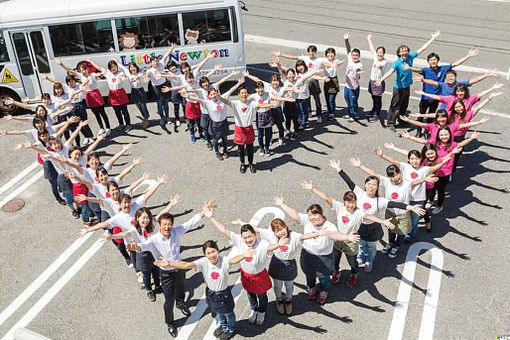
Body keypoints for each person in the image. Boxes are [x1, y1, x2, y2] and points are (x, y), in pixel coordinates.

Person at [127, 201, 213, 337]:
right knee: (168, 300)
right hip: (166, 273)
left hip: (179, 268)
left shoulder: (176, 231)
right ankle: (170, 323)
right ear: (159, 226)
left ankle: (181, 303)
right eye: (164, 225)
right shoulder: (154, 239)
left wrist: (203, 213)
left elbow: (189, 223)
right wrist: (135, 247)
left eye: (169, 224)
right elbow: (142, 246)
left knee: (181, 289)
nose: (167, 227)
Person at [328, 159, 425, 271]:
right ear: (365, 185)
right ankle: (361, 256)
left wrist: (411, 207)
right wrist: (338, 168)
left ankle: (369, 260)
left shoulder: (381, 200)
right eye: (369, 184)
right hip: (360, 226)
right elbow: (348, 181)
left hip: (373, 228)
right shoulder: (359, 193)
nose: (371, 186)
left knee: (372, 247)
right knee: (361, 245)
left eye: (374, 184)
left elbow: (396, 204)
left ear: (377, 187)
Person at [300, 181, 395, 287]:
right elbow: (326, 198)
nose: (350, 205)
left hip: (351, 241)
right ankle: (336, 273)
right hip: (338, 238)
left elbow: (369, 216)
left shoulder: (358, 212)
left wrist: (383, 221)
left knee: (353, 262)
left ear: (356, 202)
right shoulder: (339, 207)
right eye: (348, 202)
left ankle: (354, 274)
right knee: (335, 259)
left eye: (353, 202)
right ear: (344, 202)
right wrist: (313, 189)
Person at [155, 241, 254, 340]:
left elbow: (233, 260)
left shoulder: (224, 260)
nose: (212, 255)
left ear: (218, 251)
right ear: (205, 255)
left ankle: (231, 328)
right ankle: (224, 326)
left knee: (229, 312)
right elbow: (186, 265)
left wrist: (243, 255)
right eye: (208, 253)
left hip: (223, 293)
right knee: (218, 311)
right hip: (211, 292)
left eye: (213, 251)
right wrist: (169, 263)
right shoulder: (203, 262)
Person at [206, 205, 286, 325]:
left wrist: (279, 244)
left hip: (260, 276)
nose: (248, 240)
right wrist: (211, 218)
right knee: (250, 295)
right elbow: (224, 230)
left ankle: (262, 312)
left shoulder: (262, 244)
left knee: (262, 296)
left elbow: (270, 247)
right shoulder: (239, 241)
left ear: (255, 234)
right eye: (245, 238)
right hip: (246, 275)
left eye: (250, 236)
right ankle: (254, 310)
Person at [274, 195, 359, 304]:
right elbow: (295, 215)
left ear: (321, 214)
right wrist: (282, 205)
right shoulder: (307, 221)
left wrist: (347, 237)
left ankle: (324, 291)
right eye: (310, 216)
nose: (312, 218)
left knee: (324, 278)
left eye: (315, 216)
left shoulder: (329, 226)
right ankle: (311, 288)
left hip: (324, 259)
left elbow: (335, 235)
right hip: (308, 256)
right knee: (309, 275)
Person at [350, 158, 437, 257]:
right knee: (390, 230)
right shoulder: (387, 182)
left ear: (400, 173)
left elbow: (415, 182)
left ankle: (396, 246)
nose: (395, 177)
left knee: (401, 232)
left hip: (403, 214)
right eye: (392, 176)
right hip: (390, 212)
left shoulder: (407, 184)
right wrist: (360, 166)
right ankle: (390, 243)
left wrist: (424, 179)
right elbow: (374, 174)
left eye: (397, 174)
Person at [376, 145, 458, 240]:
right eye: (412, 159)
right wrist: (382, 155)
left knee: (414, 221)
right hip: (405, 199)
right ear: (409, 160)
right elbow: (393, 161)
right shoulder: (405, 166)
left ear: (420, 159)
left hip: (418, 200)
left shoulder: (425, 169)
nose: (415, 161)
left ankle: (409, 236)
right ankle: (401, 232)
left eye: (417, 158)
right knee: (404, 218)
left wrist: (451, 154)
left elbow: (437, 166)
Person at [401, 127, 480, 214]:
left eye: (446, 134)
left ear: (450, 135)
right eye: (441, 135)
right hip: (433, 171)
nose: (444, 136)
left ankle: (439, 205)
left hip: (444, 173)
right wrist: (409, 137)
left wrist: (471, 138)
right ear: (438, 135)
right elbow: (423, 142)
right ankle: (430, 201)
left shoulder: (452, 145)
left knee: (441, 190)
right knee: (431, 188)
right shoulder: (435, 143)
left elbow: (461, 144)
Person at [376, 30, 441, 131]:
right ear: (399, 53)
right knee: (395, 105)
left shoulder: (410, 57)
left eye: (406, 50)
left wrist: (433, 38)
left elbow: (423, 49)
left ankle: (401, 119)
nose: (404, 52)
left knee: (404, 104)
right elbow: (390, 72)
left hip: (407, 86)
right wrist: (381, 79)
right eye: (402, 51)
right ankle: (390, 123)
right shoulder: (397, 63)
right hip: (398, 88)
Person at [406, 48, 479, 136]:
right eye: (431, 60)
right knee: (421, 114)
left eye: (435, 59)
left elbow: (455, 64)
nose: (433, 61)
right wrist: (409, 68)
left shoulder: (443, 69)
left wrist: (468, 56)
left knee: (432, 115)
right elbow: (418, 70)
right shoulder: (426, 70)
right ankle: (418, 131)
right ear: (428, 61)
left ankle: (427, 131)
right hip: (425, 97)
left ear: (438, 60)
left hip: (437, 98)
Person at [218, 85, 278, 174]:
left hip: (249, 128)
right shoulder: (235, 103)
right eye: (242, 93)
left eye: (246, 93)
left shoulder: (251, 103)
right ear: (239, 94)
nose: (244, 94)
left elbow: (261, 105)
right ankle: (242, 163)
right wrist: (219, 97)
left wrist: (272, 104)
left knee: (250, 149)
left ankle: (250, 164)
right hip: (239, 129)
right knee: (240, 149)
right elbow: (226, 102)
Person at [55, 58, 112, 136]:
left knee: (102, 112)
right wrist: (61, 64)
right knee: (96, 113)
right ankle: (101, 128)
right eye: (81, 70)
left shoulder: (93, 75)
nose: (83, 71)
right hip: (88, 96)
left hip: (96, 94)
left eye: (84, 69)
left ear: (87, 69)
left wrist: (91, 62)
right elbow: (70, 70)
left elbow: (101, 72)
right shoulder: (81, 76)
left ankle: (108, 128)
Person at [273, 45, 325, 121]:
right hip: (304, 81)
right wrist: (281, 55)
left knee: (316, 99)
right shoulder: (304, 59)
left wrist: (322, 77)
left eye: (312, 53)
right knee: (307, 98)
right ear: (308, 52)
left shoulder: (318, 60)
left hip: (313, 80)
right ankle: (308, 113)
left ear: (315, 52)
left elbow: (324, 65)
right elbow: (292, 57)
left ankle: (319, 115)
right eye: (310, 53)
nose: (311, 54)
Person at [145, 43, 178, 125]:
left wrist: (172, 48)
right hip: (156, 88)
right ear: (150, 63)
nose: (155, 62)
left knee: (166, 103)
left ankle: (167, 117)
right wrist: (146, 77)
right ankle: (162, 118)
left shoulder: (161, 64)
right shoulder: (149, 70)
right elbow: (147, 77)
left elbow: (166, 55)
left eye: (156, 61)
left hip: (164, 85)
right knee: (159, 104)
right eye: (153, 61)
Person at [118, 61, 150, 129]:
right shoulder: (128, 74)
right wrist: (115, 61)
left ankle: (146, 119)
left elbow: (143, 80)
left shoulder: (140, 74)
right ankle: (145, 116)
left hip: (140, 90)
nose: (132, 68)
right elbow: (122, 67)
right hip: (134, 91)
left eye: (134, 67)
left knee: (143, 106)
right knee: (138, 106)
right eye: (131, 67)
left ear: (136, 67)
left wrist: (138, 78)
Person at [366, 34, 387, 123]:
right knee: (373, 97)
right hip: (372, 81)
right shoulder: (376, 58)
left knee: (378, 99)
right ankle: (374, 109)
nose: (379, 54)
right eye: (378, 52)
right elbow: (372, 49)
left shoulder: (384, 62)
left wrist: (377, 67)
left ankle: (377, 114)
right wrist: (369, 39)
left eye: (381, 53)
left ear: (383, 54)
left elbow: (379, 66)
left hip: (378, 83)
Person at [343, 33, 363, 122]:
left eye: (356, 56)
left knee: (353, 102)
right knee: (347, 100)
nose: (354, 57)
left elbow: (358, 72)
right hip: (347, 86)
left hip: (354, 88)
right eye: (353, 55)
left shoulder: (359, 64)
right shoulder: (350, 59)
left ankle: (354, 115)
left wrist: (358, 72)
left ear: (359, 57)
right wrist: (346, 40)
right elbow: (348, 49)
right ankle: (349, 113)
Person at [320, 48, 344, 121]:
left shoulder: (336, 60)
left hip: (334, 80)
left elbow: (339, 62)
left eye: (332, 54)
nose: (330, 55)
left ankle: (332, 113)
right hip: (326, 80)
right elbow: (319, 63)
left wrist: (336, 64)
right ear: (326, 55)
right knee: (327, 98)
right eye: (328, 54)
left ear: (334, 54)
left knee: (331, 99)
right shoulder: (324, 60)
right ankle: (329, 110)